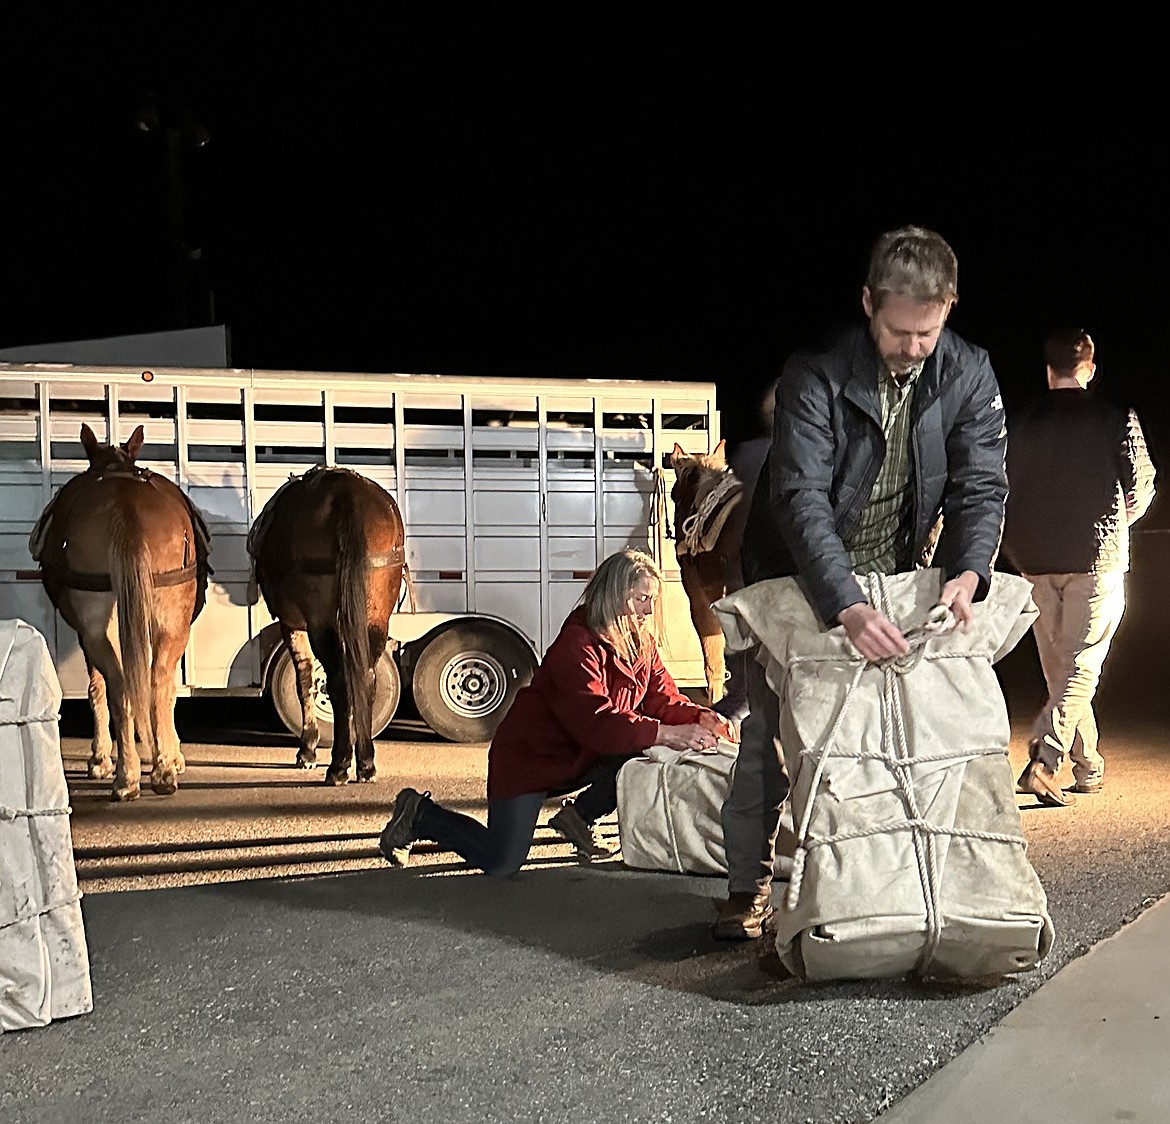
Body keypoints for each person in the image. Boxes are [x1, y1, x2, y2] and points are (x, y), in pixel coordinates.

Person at [714, 225, 1009, 940]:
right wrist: (842, 602)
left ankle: (866, 895)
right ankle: (746, 887)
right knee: (765, 742)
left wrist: (970, 570)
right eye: (898, 331)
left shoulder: (967, 371)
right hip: (791, 573)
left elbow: (980, 483)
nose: (912, 348)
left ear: (949, 310)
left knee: (876, 743)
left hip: (895, 577)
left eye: (927, 333)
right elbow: (800, 499)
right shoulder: (816, 372)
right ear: (869, 303)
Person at [377, 549, 737, 876]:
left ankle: (579, 819)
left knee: (644, 744)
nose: (648, 610)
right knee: (502, 861)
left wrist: (699, 716)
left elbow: (662, 699)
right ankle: (419, 814)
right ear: (615, 595)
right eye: (642, 599)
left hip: (584, 754)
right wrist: (668, 733)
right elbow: (597, 720)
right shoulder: (576, 645)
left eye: (651, 601)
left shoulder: (639, 643)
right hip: (532, 760)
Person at [1002, 328, 1156, 807]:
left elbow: (999, 485)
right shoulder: (1115, 418)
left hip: (1033, 561)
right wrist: (1115, 522)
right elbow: (1142, 487)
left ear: (1049, 372)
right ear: (1089, 369)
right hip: (1095, 557)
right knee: (1080, 667)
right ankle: (1046, 762)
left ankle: (1088, 764)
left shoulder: (1021, 421)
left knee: (1061, 671)